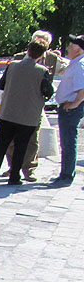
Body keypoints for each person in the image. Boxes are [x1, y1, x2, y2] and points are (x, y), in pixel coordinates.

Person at [0, 41, 53, 186]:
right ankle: (14, 177)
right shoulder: (42, 71)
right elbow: (48, 91)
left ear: (27, 50)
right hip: (28, 116)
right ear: (41, 55)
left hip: (8, 113)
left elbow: (0, 85)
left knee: (1, 145)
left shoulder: (12, 66)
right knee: (21, 146)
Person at [5, 30, 68, 181]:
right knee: (11, 140)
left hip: (35, 105)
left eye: (44, 41)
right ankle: (13, 167)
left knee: (33, 139)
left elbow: (67, 69)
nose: (41, 43)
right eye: (38, 40)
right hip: (16, 103)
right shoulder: (19, 58)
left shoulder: (52, 59)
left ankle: (29, 169)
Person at [52, 35, 84, 185]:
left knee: (68, 141)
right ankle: (65, 173)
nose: (68, 48)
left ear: (78, 48)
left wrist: (75, 104)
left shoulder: (80, 64)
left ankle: (66, 176)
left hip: (70, 107)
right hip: (69, 106)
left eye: (70, 45)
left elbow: (82, 88)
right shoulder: (76, 63)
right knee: (67, 141)